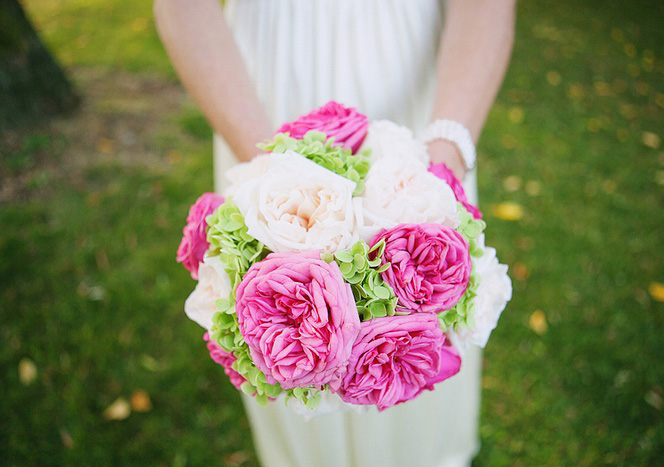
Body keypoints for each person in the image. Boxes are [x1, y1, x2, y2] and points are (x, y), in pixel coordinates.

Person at [155, 1, 515, 465]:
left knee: (420, 330)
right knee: (279, 325)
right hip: (259, 87)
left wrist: (444, 155)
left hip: (422, 75)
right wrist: (272, 173)